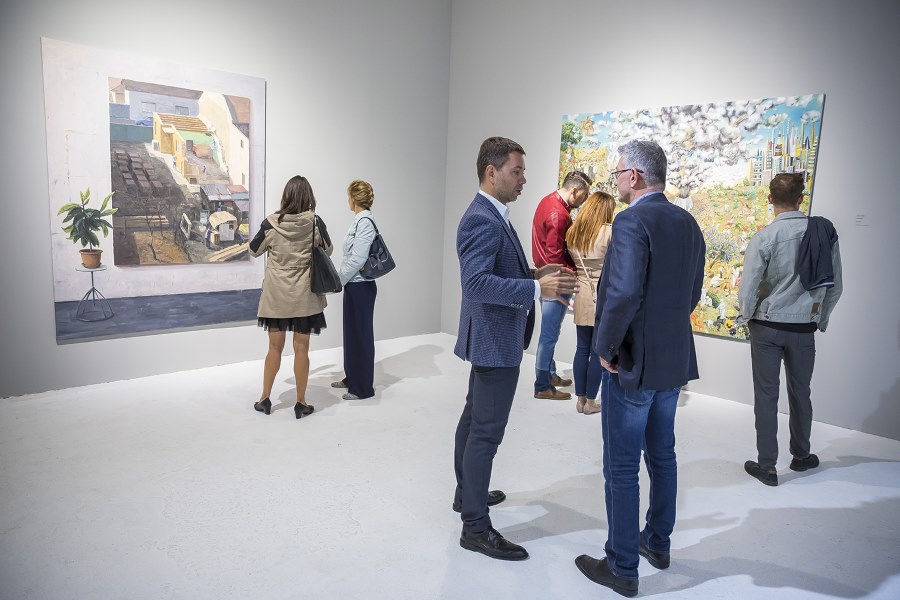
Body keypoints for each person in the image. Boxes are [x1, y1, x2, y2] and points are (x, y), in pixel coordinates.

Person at [575, 140, 705, 597]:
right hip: (673, 359)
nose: (616, 180)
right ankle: (657, 542)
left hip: (632, 363)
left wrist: (606, 347)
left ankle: (622, 565)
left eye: (617, 173)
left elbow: (625, 291)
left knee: (622, 466)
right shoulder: (687, 222)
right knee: (663, 454)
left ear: (633, 176)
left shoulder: (631, 221)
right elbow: (693, 292)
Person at [454, 136, 577, 561]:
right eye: (516, 171)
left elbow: (496, 270)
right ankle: (475, 527)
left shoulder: (492, 214)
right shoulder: (483, 220)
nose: (523, 180)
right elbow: (475, 284)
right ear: (492, 172)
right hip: (494, 339)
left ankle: (466, 494)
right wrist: (535, 288)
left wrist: (534, 273)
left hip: (493, 337)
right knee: (485, 432)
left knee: (474, 419)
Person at [738, 173, 843, 487]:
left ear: (770, 199)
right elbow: (835, 286)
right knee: (801, 393)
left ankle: (767, 467)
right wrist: (820, 319)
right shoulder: (823, 233)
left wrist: (747, 317)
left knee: (766, 396)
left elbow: (748, 290)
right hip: (803, 329)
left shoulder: (764, 238)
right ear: (801, 198)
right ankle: (801, 456)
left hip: (767, 327)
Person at [249, 175, 332, 419]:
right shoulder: (315, 222)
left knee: (274, 348)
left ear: (286, 196)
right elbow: (328, 250)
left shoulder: (271, 223)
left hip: (276, 296)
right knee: (301, 349)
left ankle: (264, 399)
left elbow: (253, 250)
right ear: (309, 197)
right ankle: (301, 403)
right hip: (304, 295)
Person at [531, 170, 592, 400]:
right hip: (556, 281)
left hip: (545, 277)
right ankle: (542, 385)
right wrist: (565, 279)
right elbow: (554, 255)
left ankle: (550, 374)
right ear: (574, 191)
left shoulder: (548, 201)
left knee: (550, 332)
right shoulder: (558, 213)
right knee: (549, 335)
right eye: (584, 195)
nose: (585, 200)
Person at [565, 191, 615, 415]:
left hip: (582, 292)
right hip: (602, 294)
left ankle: (580, 399)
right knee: (597, 351)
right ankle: (591, 402)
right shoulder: (609, 232)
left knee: (581, 348)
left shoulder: (574, 231)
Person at [331, 180, 378, 400]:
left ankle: (363, 389)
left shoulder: (365, 222)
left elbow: (358, 258)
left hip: (361, 286)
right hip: (354, 285)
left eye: (348, 196)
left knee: (361, 337)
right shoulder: (359, 221)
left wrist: (338, 280)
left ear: (354, 198)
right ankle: (351, 378)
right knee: (351, 335)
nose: (347, 200)